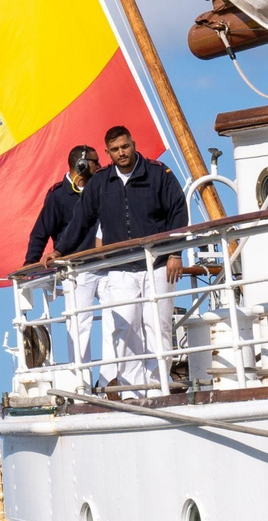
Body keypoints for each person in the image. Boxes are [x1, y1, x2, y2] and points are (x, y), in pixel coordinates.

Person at [53, 126, 187, 394]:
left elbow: (178, 212)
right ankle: (131, 388)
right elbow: (82, 219)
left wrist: (175, 253)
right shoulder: (101, 182)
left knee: (157, 325)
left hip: (157, 264)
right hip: (120, 268)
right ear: (107, 153)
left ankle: (158, 384)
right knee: (123, 326)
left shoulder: (158, 174)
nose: (121, 153)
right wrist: (60, 251)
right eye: (115, 150)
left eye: (125, 146)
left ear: (133, 144)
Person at [23, 145, 106, 379]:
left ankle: (112, 377)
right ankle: (81, 381)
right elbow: (40, 232)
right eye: (94, 161)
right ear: (81, 165)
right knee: (79, 325)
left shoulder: (101, 188)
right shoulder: (58, 196)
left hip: (107, 265)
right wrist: (29, 267)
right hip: (76, 271)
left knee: (118, 318)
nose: (99, 166)